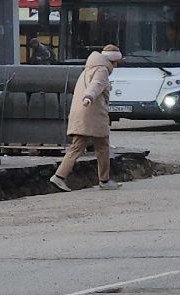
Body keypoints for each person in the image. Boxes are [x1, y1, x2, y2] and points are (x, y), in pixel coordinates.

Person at [50, 44, 124, 191]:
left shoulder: (89, 68)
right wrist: (89, 97)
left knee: (77, 147)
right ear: (113, 61)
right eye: (116, 63)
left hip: (83, 114)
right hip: (93, 115)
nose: (116, 67)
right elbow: (96, 85)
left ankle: (59, 176)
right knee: (102, 147)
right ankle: (104, 180)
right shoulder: (102, 70)